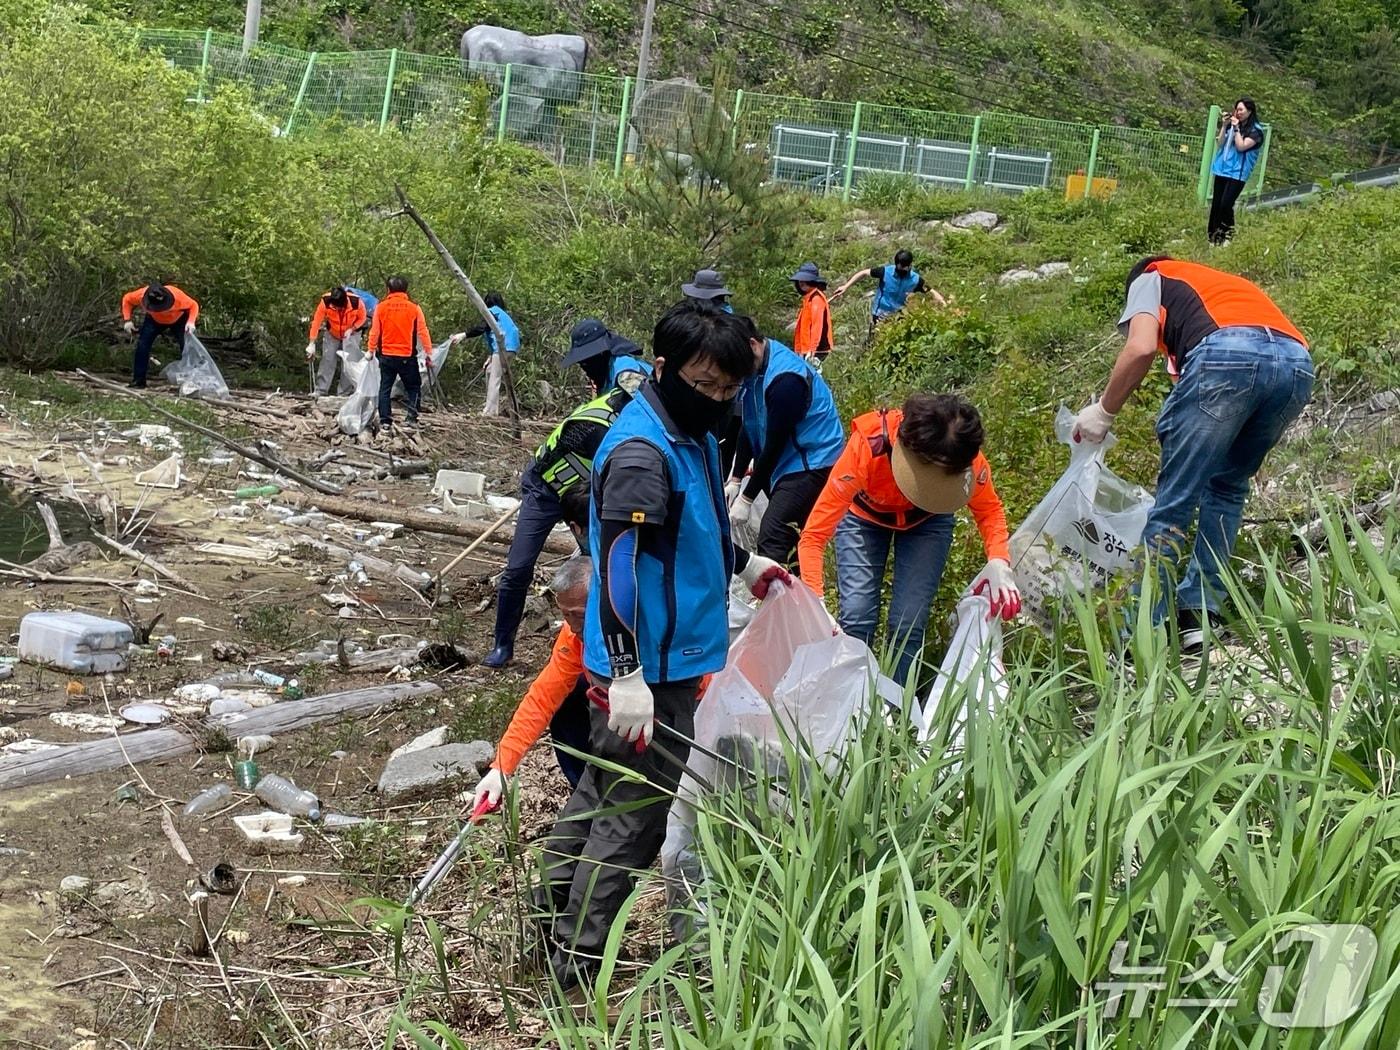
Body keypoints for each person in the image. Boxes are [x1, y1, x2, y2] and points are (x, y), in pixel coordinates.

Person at [534, 301, 789, 991]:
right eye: (703, 383)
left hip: (661, 662)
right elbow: (615, 563)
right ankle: (578, 965)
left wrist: (746, 563)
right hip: (648, 669)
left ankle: (547, 922)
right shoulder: (646, 450)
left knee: (599, 791)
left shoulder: (693, 433)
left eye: (729, 387)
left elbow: (698, 523)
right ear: (664, 367)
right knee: (633, 821)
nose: (716, 398)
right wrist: (626, 675)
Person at [1072, 256, 1312, 652]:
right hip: (1296, 364)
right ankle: (1200, 615)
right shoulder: (1219, 284)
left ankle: (1142, 636)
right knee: (1228, 488)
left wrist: (1104, 410)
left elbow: (1141, 346)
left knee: (1175, 502)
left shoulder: (1151, 277)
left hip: (1226, 353)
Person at [797, 394, 1019, 687]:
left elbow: (989, 510)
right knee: (857, 615)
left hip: (928, 522)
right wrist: (816, 597)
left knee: (909, 621)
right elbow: (814, 535)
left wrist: (998, 559)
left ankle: (895, 709)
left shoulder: (965, 456)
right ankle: (850, 700)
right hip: (864, 517)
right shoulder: (870, 446)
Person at [482, 377, 636, 670]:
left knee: (603, 566)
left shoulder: (632, 424)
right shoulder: (596, 425)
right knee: (518, 567)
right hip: (545, 490)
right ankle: (503, 644)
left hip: (586, 497)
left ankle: (595, 644)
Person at [473, 556, 597, 807]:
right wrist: (502, 767)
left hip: (672, 708)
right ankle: (587, 792)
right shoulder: (572, 635)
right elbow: (542, 698)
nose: (572, 626)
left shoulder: (636, 623)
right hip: (606, 698)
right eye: (565, 615)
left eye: (579, 615)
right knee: (567, 701)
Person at [726, 317, 844, 566]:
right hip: (785, 461)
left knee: (773, 534)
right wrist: (735, 479)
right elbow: (750, 425)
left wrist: (747, 499)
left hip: (812, 460)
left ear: (753, 345)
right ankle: (799, 593)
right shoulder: (753, 371)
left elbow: (774, 445)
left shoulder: (786, 381)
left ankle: (776, 600)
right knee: (792, 538)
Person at [366, 276, 432, 432]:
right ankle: (411, 417)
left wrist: (370, 350)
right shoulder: (414, 308)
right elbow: (423, 331)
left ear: (388, 289)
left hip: (386, 355)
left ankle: (385, 421)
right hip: (406, 356)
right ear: (405, 290)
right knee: (414, 387)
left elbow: (375, 331)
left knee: (385, 388)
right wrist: (429, 352)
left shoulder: (381, 307)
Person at [831, 249, 946, 335]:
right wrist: (846, 286)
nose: (902, 271)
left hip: (900, 316)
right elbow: (864, 273)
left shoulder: (915, 279)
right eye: (900, 268)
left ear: (910, 265)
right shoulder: (885, 272)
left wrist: (943, 303)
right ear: (896, 265)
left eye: (905, 268)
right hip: (880, 314)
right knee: (874, 341)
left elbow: (930, 291)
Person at [120, 282, 199, 389]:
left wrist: (191, 321)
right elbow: (127, 299)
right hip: (154, 320)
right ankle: (138, 381)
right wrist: (127, 320)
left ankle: (193, 381)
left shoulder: (178, 297)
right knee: (142, 346)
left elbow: (193, 305)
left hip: (178, 320)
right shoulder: (141, 294)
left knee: (187, 347)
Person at [1207, 98, 1264, 245]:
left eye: (1241, 110)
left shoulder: (1255, 131)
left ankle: (1228, 234)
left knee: (1226, 204)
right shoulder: (1231, 126)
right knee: (1217, 204)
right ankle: (1213, 236)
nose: (1237, 113)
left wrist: (1237, 129)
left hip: (1238, 173)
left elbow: (1241, 146)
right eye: (1236, 110)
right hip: (1222, 169)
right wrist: (1225, 126)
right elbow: (1220, 144)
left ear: (1249, 112)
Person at [458, 292, 521, 417]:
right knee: (489, 370)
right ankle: (493, 407)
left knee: (494, 378)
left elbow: (481, 328)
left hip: (503, 347)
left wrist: (463, 335)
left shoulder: (491, 312)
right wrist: (491, 357)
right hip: (512, 348)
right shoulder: (503, 314)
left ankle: (490, 411)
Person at [560, 319, 651, 396]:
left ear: (601, 353)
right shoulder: (605, 376)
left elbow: (648, 405)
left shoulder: (625, 373)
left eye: (587, 361)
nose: (583, 366)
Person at [305, 286, 368, 396]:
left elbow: (362, 318)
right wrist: (311, 343)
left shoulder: (356, 302)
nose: (337, 309)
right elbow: (316, 322)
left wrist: (352, 328)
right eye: (335, 307)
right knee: (327, 360)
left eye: (339, 308)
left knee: (349, 363)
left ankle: (344, 393)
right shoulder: (326, 301)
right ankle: (320, 390)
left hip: (351, 334)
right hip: (332, 333)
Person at [790, 262, 834, 363]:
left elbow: (817, 327)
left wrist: (812, 350)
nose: (801, 282)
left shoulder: (816, 299)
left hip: (817, 351)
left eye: (805, 280)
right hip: (808, 350)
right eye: (800, 280)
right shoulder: (808, 298)